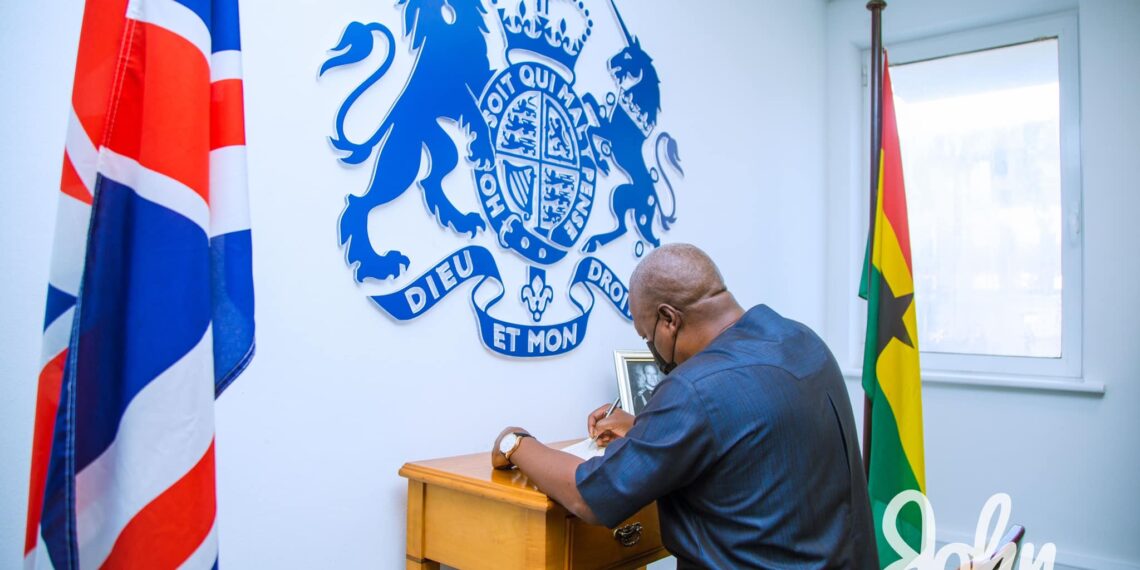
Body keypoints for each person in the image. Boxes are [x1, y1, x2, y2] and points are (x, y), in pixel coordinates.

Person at [492, 243, 878, 568]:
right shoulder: (800, 340)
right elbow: (751, 434)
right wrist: (648, 427)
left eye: (646, 337)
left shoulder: (696, 388)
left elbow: (589, 496)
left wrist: (516, 441)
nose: (652, 351)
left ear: (668, 320)